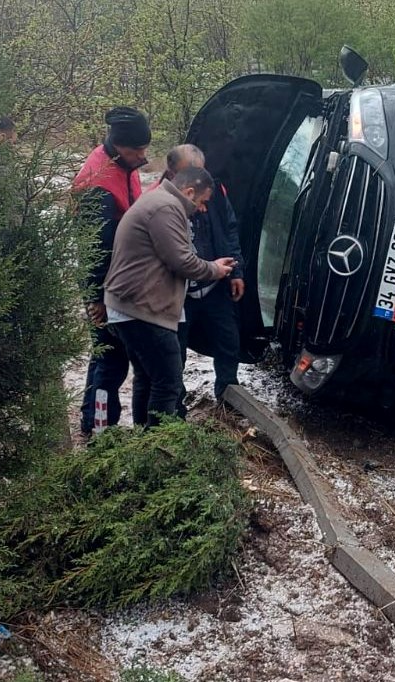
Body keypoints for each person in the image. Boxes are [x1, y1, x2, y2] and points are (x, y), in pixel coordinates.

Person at [103, 165, 235, 426]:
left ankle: (145, 445)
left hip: (127, 307)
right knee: (168, 382)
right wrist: (215, 269)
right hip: (142, 310)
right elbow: (182, 261)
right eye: (201, 201)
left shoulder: (156, 200)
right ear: (188, 191)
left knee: (148, 379)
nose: (201, 208)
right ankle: (160, 450)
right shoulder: (167, 208)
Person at [73, 106, 151, 438]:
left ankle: (91, 418)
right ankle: (100, 429)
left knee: (105, 354)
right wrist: (97, 299)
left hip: (118, 281)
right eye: (138, 150)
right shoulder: (98, 184)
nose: (143, 156)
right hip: (105, 285)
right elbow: (93, 250)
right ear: (120, 146)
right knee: (112, 360)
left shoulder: (122, 163)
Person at [154, 144, 245, 402]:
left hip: (215, 285)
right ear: (173, 174)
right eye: (191, 173)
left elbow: (229, 230)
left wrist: (236, 270)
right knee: (174, 353)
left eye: (201, 172)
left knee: (229, 341)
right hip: (178, 292)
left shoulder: (214, 190)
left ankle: (228, 398)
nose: (199, 180)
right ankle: (174, 411)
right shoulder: (158, 200)